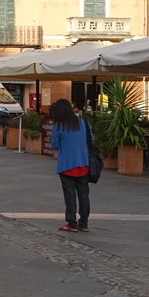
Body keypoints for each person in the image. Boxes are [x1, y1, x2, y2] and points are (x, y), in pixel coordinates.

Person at [50, 98, 92, 232]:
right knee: (84, 195)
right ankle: (84, 224)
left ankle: (72, 223)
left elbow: (54, 145)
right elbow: (91, 139)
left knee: (70, 196)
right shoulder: (84, 123)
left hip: (67, 165)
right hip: (84, 163)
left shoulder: (59, 125)